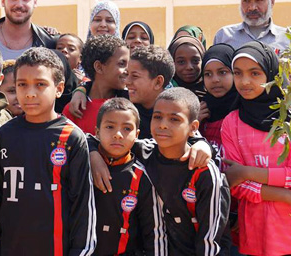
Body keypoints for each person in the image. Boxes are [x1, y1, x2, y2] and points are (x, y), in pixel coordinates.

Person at [90, 88, 230, 255]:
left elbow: (210, 241)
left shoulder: (204, 171)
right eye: (157, 117)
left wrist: (202, 143)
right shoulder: (143, 150)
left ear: (193, 127)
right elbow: (89, 138)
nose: (163, 124)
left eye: (174, 119)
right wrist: (93, 154)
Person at [221, 41, 291, 255]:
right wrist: (290, 196)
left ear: (271, 75)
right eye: (238, 73)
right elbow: (235, 185)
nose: (245, 81)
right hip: (258, 232)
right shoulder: (231, 123)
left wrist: (247, 172)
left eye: (255, 73)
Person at [0, 47, 96, 255]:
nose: (30, 93)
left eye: (40, 84)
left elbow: (83, 206)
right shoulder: (5, 134)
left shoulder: (71, 137)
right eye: (22, 85)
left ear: (59, 88)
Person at [93, 98, 167, 255]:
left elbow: (154, 231)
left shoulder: (142, 177)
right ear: (97, 132)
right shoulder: (82, 166)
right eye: (110, 127)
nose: (118, 134)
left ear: (137, 135)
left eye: (127, 129)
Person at [62, 35, 129, 135]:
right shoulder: (74, 108)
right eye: (122, 64)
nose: (128, 70)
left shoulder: (130, 103)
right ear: (99, 67)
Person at [213, 0, 289, 55]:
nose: (252, 7)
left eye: (259, 0)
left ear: (272, 1)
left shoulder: (287, 39)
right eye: (246, 0)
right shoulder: (223, 36)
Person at [125, 45, 175, 139]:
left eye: (135, 76)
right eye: (127, 74)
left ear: (158, 82)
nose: (127, 81)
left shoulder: (177, 110)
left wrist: (202, 144)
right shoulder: (125, 107)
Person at [198, 44, 238, 154]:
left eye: (222, 72)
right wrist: (194, 123)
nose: (215, 79)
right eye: (208, 74)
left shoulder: (244, 110)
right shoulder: (201, 110)